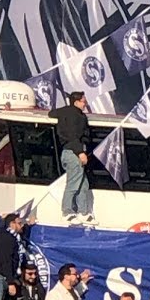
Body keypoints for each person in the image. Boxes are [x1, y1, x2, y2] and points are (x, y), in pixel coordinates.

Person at [49, 91, 94, 225]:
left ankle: (83, 212)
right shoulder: (77, 116)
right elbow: (73, 135)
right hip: (74, 153)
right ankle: (67, 212)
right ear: (77, 102)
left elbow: (51, 114)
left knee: (83, 184)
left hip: (67, 152)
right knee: (73, 185)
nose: (85, 104)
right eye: (84, 101)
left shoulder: (64, 112)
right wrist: (80, 152)